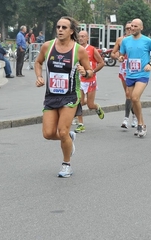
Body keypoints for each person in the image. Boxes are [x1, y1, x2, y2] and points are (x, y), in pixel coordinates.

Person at [34, 16, 93, 178]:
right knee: (47, 133)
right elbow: (38, 62)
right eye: (58, 27)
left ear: (71, 31)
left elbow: (90, 71)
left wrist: (84, 72)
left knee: (62, 130)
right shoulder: (48, 46)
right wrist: (39, 77)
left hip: (70, 96)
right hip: (51, 95)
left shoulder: (78, 50)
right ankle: (69, 137)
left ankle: (66, 164)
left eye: (64, 27)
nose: (60, 30)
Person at [118, 18, 151, 137]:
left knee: (135, 97)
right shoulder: (125, 41)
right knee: (133, 100)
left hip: (142, 74)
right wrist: (120, 58)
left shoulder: (147, 41)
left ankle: (141, 124)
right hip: (130, 73)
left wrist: (150, 64)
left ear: (141, 27)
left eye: (135, 26)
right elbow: (122, 54)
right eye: (131, 26)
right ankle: (142, 124)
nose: (132, 28)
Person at [74, 30, 105, 133]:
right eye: (80, 36)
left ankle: (97, 107)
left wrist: (93, 71)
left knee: (90, 105)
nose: (81, 38)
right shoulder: (76, 49)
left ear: (87, 38)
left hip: (90, 80)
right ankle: (81, 124)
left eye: (83, 36)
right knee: (78, 102)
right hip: (79, 80)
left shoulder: (92, 49)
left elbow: (101, 63)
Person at [111, 21, 136, 129]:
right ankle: (134, 116)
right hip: (124, 70)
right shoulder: (120, 40)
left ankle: (127, 119)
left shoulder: (138, 40)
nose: (129, 30)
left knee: (130, 94)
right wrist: (117, 57)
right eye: (127, 28)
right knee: (128, 95)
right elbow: (112, 53)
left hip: (135, 71)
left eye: (131, 28)